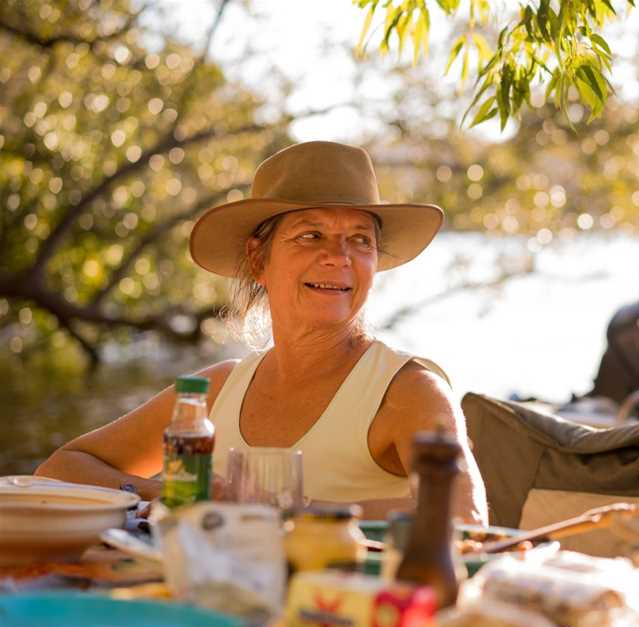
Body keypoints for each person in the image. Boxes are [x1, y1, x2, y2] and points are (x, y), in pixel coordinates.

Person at [36, 141, 489, 524]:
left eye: (360, 240)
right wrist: (175, 495)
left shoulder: (408, 390)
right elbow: (60, 469)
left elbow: (465, 516)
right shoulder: (215, 392)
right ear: (258, 260)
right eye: (311, 235)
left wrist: (285, 512)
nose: (339, 257)